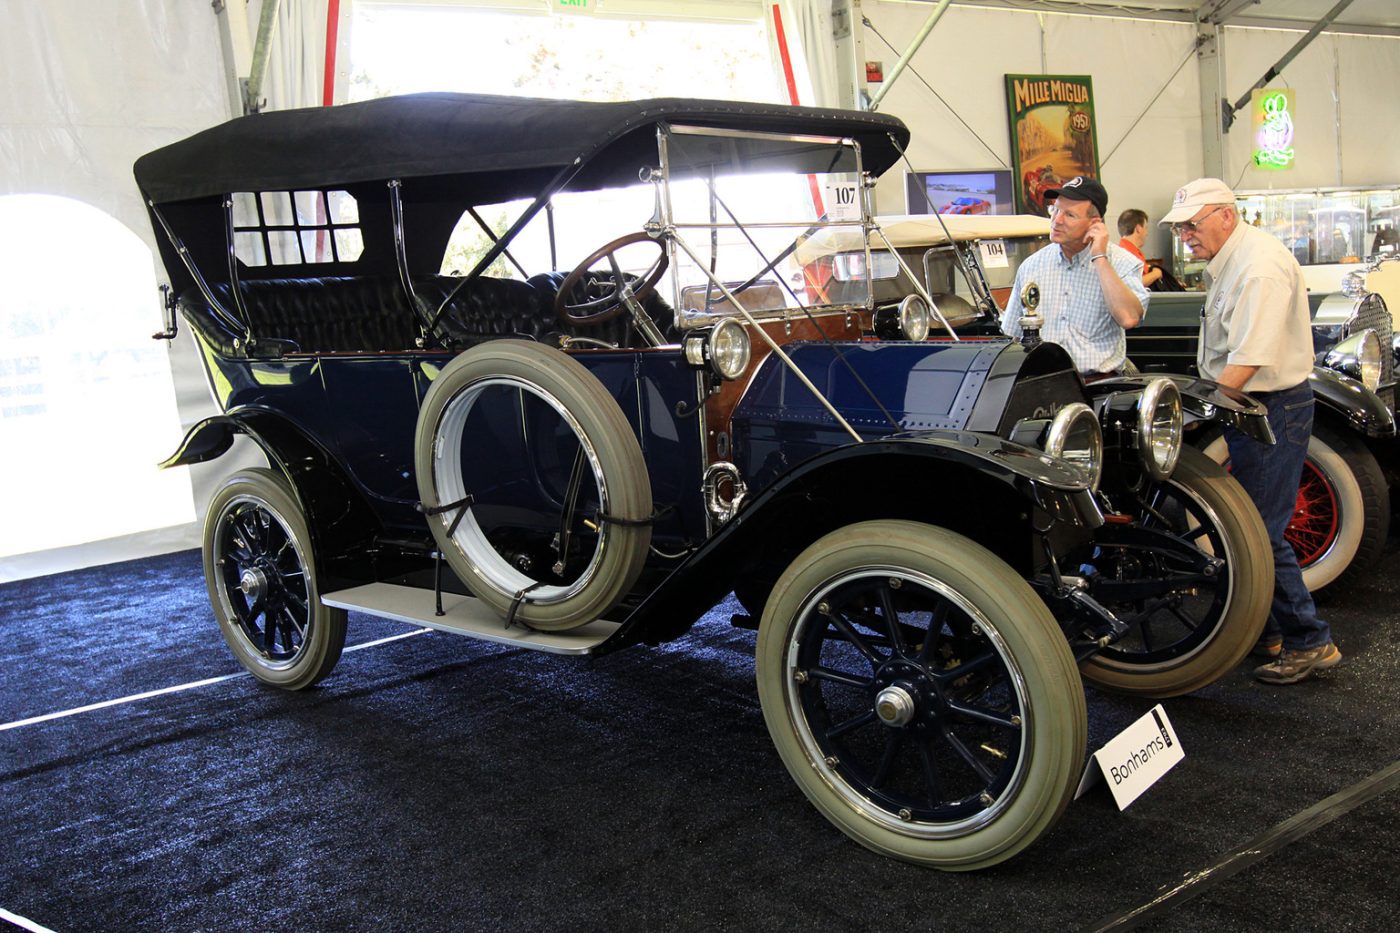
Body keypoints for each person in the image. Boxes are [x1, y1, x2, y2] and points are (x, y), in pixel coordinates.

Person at [1161, 177, 1341, 685]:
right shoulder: (1234, 260)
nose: (1186, 236)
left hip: (1268, 406)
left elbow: (1249, 358)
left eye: (1192, 224)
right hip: (1255, 406)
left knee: (1259, 532)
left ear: (1225, 214)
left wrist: (1197, 411)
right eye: (1181, 227)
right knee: (1253, 525)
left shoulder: (1256, 266)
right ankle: (1270, 633)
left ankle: (1311, 640)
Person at [1001, 176, 1148, 376]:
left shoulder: (1123, 263)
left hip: (1097, 387)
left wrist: (1100, 258)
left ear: (1095, 224)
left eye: (1069, 215)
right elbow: (1012, 334)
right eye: (1055, 210)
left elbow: (1129, 318)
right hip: (1043, 384)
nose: (1057, 220)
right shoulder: (1032, 266)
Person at [1116, 208, 1165, 288]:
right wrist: (1155, 274)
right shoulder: (1127, 255)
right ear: (1138, 229)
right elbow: (1131, 285)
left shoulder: (1125, 251)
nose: (1147, 233)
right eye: (1146, 228)